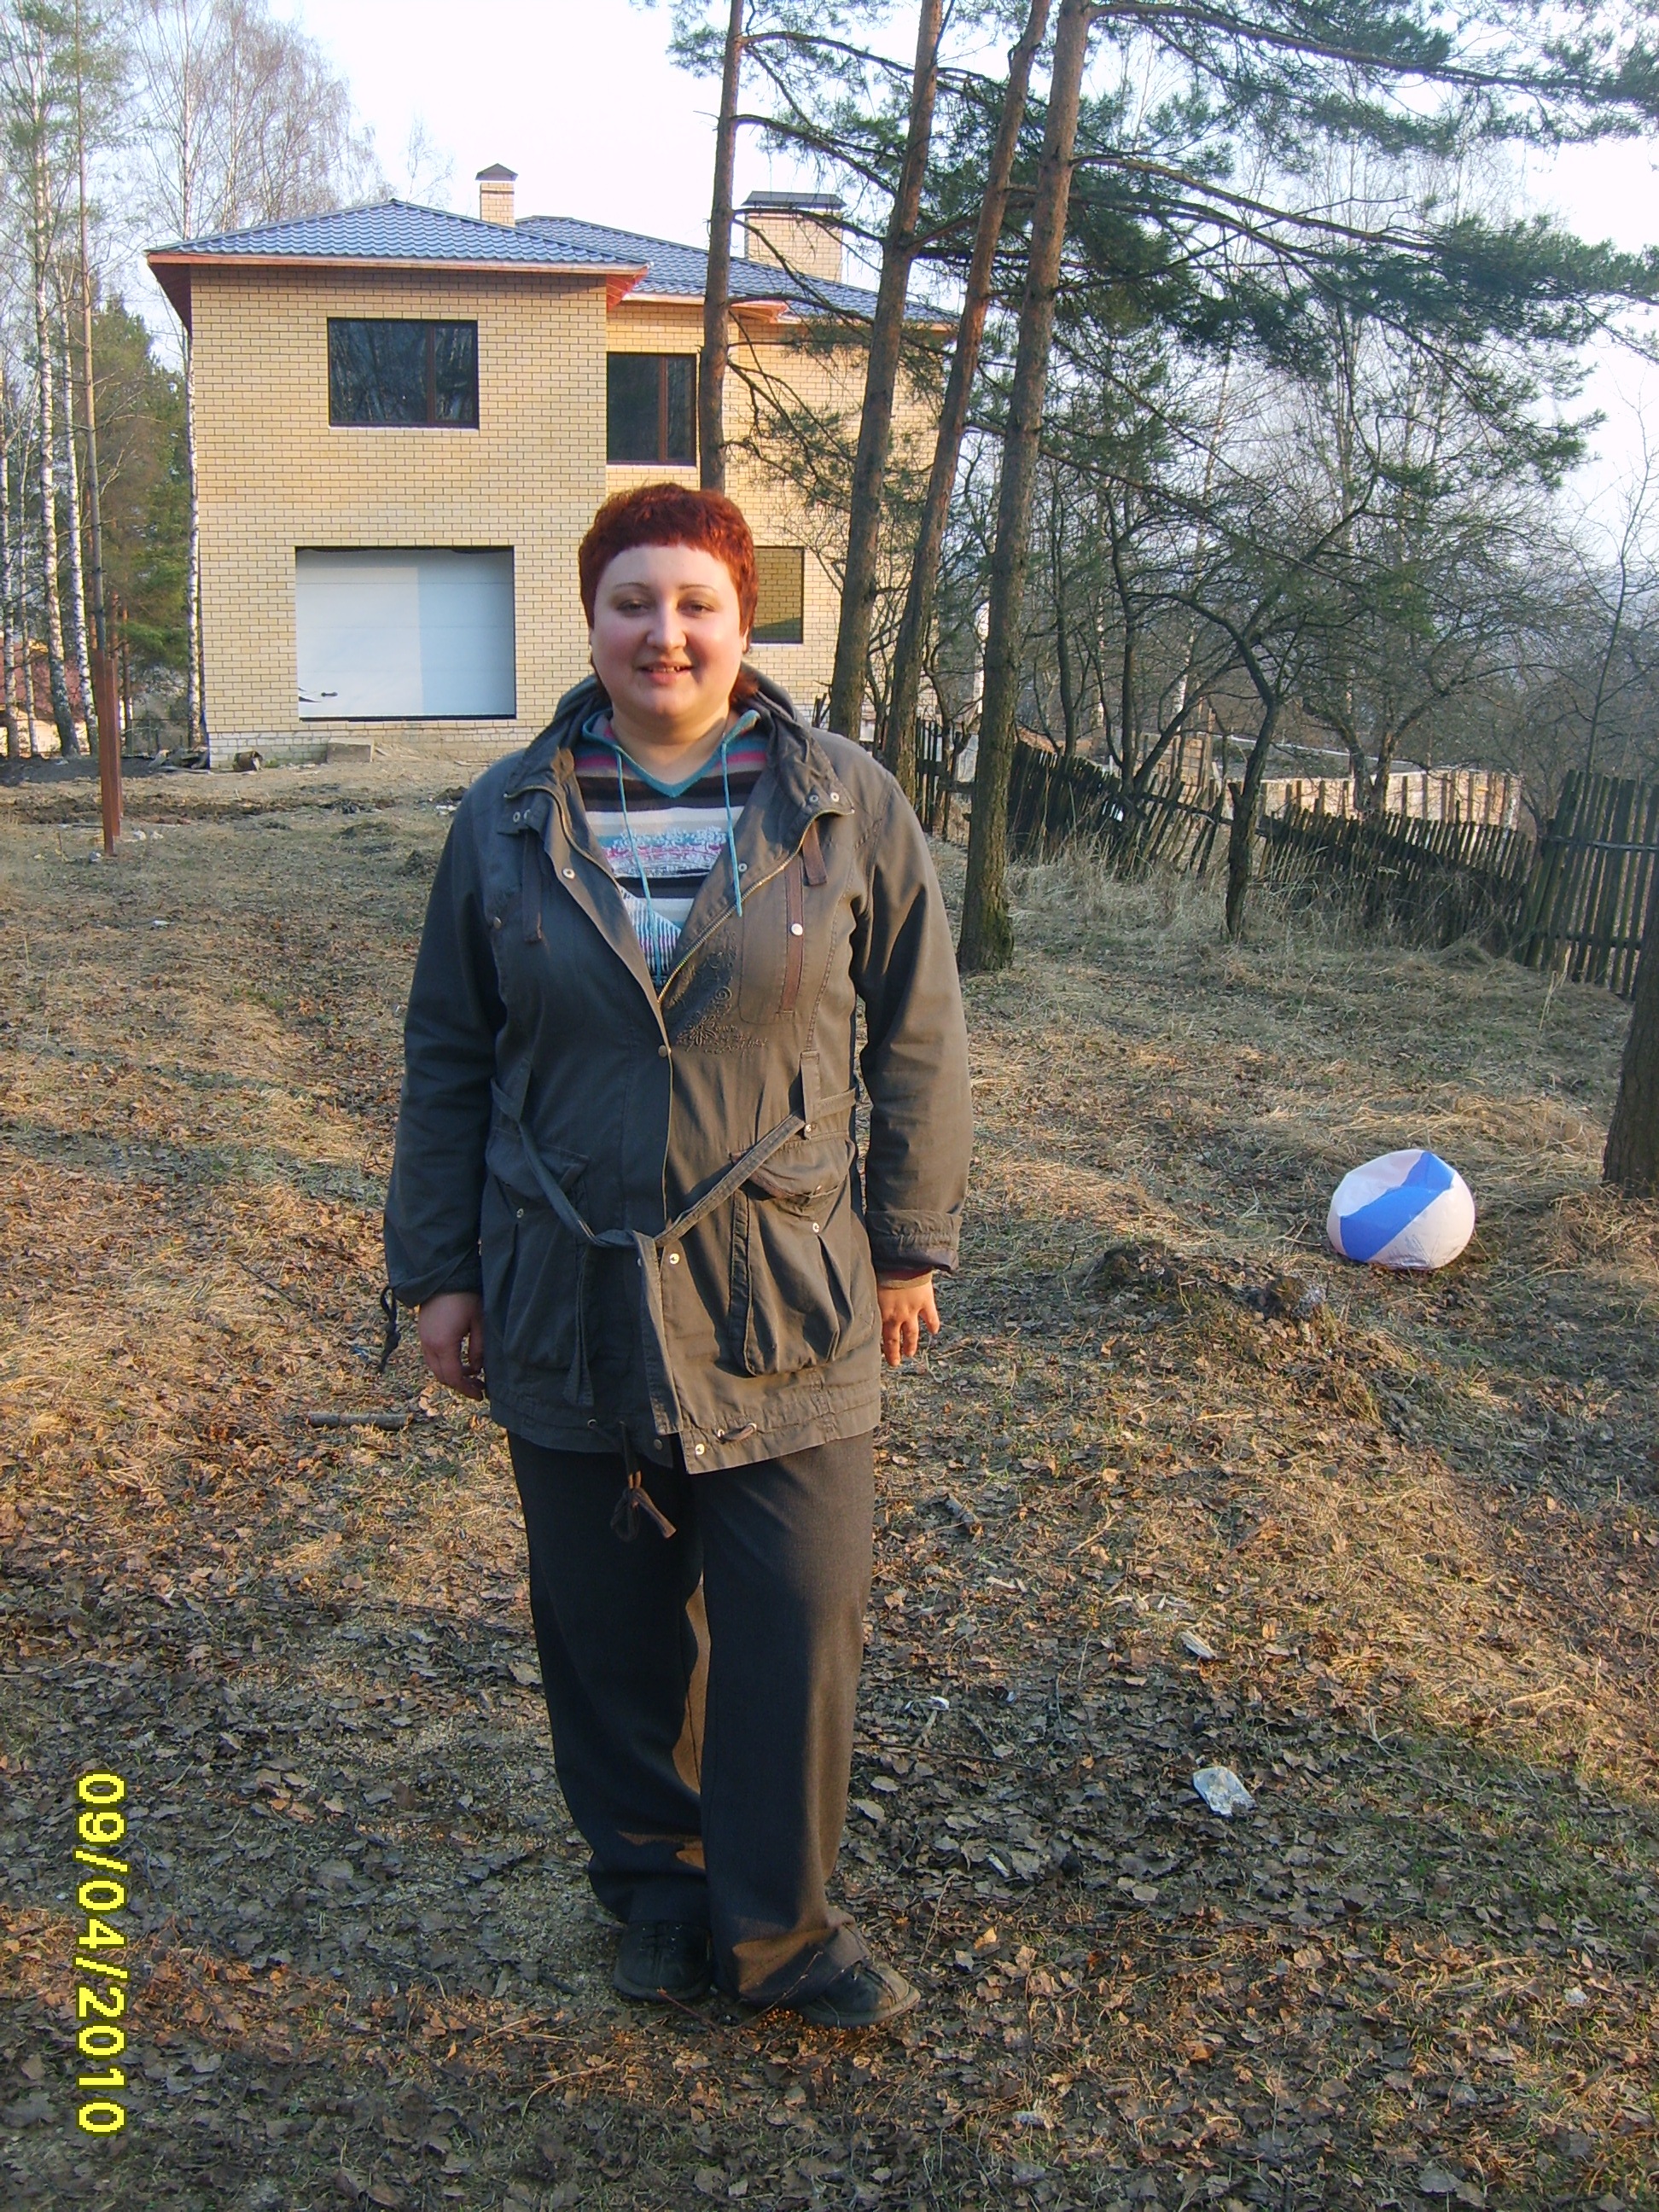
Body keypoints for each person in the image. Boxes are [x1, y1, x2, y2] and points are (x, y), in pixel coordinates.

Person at [384, 482, 971, 2028]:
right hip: (566, 1284)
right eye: (633, 602)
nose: (666, 633)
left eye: (697, 603)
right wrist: (439, 1272)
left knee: (798, 1618)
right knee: (611, 1628)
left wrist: (908, 1244)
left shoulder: (842, 804)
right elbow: (449, 1053)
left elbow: (918, 1035)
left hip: (786, 1286)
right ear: (591, 618)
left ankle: (780, 1932)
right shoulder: (508, 815)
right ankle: (654, 1892)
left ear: (742, 620)